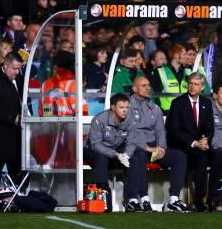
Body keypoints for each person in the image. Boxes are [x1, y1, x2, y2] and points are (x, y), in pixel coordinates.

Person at [127, 77, 189, 212]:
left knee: (179, 156)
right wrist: (147, 147)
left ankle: (173, 199)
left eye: (148, 85)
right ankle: (143, 198)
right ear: (134, 88)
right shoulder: (127, 107)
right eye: (144, 86)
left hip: (154, 147)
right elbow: (129, 133)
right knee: (139, 155)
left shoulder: (155, 108)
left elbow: (160, 131)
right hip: (137, 146)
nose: (148, 88)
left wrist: (161, 148)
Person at [165, 72, 214, 212]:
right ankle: (176, 200)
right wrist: (194, 142)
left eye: (196, 84)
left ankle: (202, 201)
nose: (192, 87)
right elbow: (174, 130)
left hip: (199, 147)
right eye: (190, 83)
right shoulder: (177, 103)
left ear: (202, 87)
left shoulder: (206, 103)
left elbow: (210, 127)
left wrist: (205, 140)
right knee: (192, 157)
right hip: (181, 146)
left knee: (209, 156)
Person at [84, 93, 136, 212]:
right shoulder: (100, 119)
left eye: (127, 107)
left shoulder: (130, 121)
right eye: (121, 107)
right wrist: (116, 155)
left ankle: (132, 199)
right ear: (113, 107)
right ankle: (104, 197)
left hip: (115, 152)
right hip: (93, 151)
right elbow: (95, 144)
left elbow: (132, 142)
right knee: (101, 158)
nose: (125, 111)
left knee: (134, 159)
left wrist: (126, 155)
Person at [0, 52, 22, 193]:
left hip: (15, 136)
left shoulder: (19, 80)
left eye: (19, 69)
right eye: (14, 69)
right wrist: (12, 117)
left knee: (17, 171)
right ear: (5, 66)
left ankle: (16, 198)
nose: (17, 72)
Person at [38, 51, 88, 116]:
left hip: (49, 124)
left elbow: (42, 112)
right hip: (70, 125)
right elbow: (83, 113)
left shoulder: (45, 84)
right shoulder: (74, 84)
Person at [152, 44, 190, 114]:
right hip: (167, 113)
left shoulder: (188, 72)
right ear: (176, 55)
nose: (187, 57)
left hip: (185, 112)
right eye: (184, 54)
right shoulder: (160, 71)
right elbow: (155, 96)